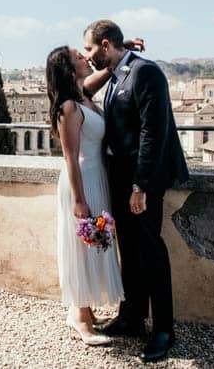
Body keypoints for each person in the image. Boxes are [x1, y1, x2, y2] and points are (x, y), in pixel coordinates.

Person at [83, 20, 189, 363]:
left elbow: (152, 134)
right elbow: (84, 90)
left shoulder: (146, 73)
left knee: (151, 252)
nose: (87, 56)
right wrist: (122, 47)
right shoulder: (116, 73)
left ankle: (163, 330)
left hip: (141, 182)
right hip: (119, 179)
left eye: (89, 49)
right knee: (127, 250)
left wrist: (140, 186)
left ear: (103, 44)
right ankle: (131, 318)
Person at [46, 45, 122, 346]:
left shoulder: (83, 96)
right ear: (68, 69)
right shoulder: (68, 107)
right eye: (79, 57)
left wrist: (120, 50)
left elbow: (106, 70)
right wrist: (79, 201)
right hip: (81, 182)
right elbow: (71, 158)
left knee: (94, 245)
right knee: (81, 248)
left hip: (97, 177)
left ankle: (86, 312)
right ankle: (78, 317)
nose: (85, 58)